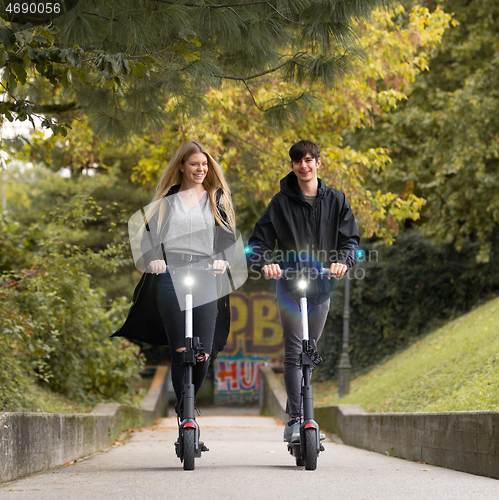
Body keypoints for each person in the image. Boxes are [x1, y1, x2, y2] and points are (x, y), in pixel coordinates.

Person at [113, 140, 236, 418]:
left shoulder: (216, 198)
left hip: (206, 276)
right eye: (194, 164)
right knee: (181, 349)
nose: (200, 169)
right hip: (171, 276)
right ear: (181, 166)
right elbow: (147, 238)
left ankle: (184, 407)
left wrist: (222, 259)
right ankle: (187, 417)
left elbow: (227, 239)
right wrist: (153, 259)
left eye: (204, 164)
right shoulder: (166, 201)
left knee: (202, 352)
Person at [247, 140, 359, 442]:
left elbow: (351, 241)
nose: (304, 166)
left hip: (322, 285)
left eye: (309, 160)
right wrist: (266, 262)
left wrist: (343, 261)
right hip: (289, 286)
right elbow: (256, 243)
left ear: (319, 163)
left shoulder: (337, 200)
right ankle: (297, 420)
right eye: (298, 161)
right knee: (295, 352)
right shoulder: (280, 203)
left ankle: (299, 410)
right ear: (293, 165)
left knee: (309, 351)